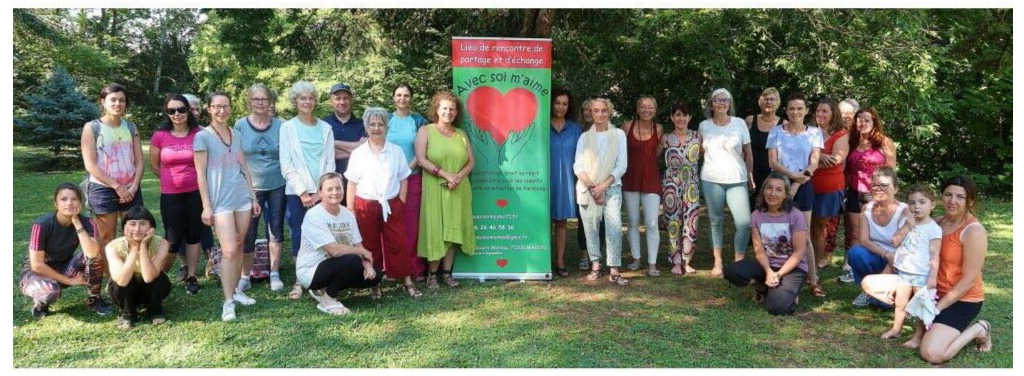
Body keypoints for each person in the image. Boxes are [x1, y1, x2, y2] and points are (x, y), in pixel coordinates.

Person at [861, 176, 991, 364]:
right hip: (926, 287)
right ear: (940, 198)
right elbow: (906, 251)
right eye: (948, 194)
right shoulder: (935, 222)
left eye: (960, 197)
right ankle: (910, 311)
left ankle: (980, 329)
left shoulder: (974, 231)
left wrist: (936, 308)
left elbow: (969, 281)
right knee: (870, 283)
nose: (952, 201)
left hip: (960, 299)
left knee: (932, 353)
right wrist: (897, 282)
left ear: (970, 201)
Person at [194, 92, 262, 321]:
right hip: (220, 201)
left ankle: (235, 290)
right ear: (209, 109)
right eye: (216, 106)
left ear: (231, 108)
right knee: (229, 250)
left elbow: (244, 167)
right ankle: (228, 301)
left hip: (241, 197)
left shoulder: (237, 134)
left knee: (240, 243)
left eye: (225, 106)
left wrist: (253, 197)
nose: (221, 111)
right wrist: (206, 206)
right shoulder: (202, 137)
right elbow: (200, 175)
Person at [345, 107, 420, 298]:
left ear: (386, 127)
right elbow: (352, 182)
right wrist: (351, 209)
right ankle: (374, 283)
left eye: (380, 124)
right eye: (372, 124)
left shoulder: (395, 151)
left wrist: (400, 202)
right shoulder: (359, 153)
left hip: (391, 203)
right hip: (365, 205)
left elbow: (404, 178)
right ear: (366, 127)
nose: (376, 128)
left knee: (398, 243)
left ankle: (406, 280)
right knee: (369, 245)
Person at [19, 183, 112, 318]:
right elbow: (37, 265)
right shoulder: (41, 225)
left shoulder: (88, 223)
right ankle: (40, 304)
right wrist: (70, 281)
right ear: (56, 204)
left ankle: (94, 298)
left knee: (95, 254)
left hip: (63, 267)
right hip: (35, 273)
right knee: (51, 292)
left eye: (74, 199)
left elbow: (92, 253)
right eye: (64, 199)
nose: (69, 203)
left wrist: (76, 222)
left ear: (80, 202)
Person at [280, 81, 336, 299]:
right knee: (299, 234)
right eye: (302, 98)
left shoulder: (326, 128)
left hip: (323, 192)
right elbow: (286, 164)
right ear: (296, 101)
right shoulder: (288, 128)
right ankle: (298, 280)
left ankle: (319, 278)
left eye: (310, 98)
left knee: (323, 234)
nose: (307, 101)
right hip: (297, 193)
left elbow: (330, 163)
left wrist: (321, 193)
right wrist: (303, 193)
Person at [415, 90, 477, 288]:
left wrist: (457, 177)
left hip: (458, 188)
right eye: (444, 108)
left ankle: (447, 273)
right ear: (437, 109)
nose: (448, 112)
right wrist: (445, 174)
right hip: (435, 187)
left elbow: (471, 162)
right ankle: (432, 275)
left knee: (453, 229)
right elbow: (421, 159)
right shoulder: (426, 130)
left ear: (456, 112)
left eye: (452, 109)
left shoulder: (461, 134)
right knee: (435, 229)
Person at [297, 172, 383, 315]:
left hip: (339, 264)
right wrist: (362, 253)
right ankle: (328, 297)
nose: (335, 192)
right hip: (311, 270)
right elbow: (334, 251)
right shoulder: (314, 215)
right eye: (329, 189)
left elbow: (357, 245)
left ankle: (325, 288)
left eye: (338, 188)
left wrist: (367, 265)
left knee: (376, 275)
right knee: (352, 260)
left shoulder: (348, 214)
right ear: (320, 192)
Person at [723, 172, 808, 315]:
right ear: (763, 190)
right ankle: (762, 286)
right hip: (767, 264)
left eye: (779, 190)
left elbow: (799, 252)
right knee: (731, 271)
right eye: (769, 188)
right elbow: (759, 250)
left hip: (793, 267)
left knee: (777, 308)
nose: (772, 193)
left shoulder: (795, 215)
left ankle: (788, 293)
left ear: (786, 194)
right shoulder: (757, 215)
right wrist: (769, 271)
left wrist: (779, 274)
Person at [80, 83, 145, 272]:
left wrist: (132, 188)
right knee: (106, 236)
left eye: (122, 100)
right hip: (103, 189)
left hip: (131, 189)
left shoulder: (131, 127)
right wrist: (117, 186)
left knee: (133, 233)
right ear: (103, 102)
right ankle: (112, 279)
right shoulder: (92, 127)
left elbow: (140, 161)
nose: (118, 103)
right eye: (113, 100)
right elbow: (90, 164)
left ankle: (131, 273)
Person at [766, 92, 823, 297]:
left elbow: (814, 162)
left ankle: (813, 281)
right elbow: (773, 162)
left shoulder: (814, 133)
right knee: (779, 234)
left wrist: (797, 184)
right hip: (778, 185)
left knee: (804, 235)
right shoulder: (776, 131)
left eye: (799, 108)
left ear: (806, 111)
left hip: (805, 186)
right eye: (791, 108)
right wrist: (791, 177)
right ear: (786, 111)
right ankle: (780, 277)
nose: (795, 112)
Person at [235, 83, 288, 292]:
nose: (260, 103)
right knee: (248, 231)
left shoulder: (282, 125)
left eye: (264, 99)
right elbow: (236, 158)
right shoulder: (240, 125)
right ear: (249, 101)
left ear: (270, 102)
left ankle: (274, 273)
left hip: (278, 185)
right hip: (251, 188)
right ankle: (244, 275)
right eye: (256, 99)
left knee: (275, 229)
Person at [150, 94, 203, 295]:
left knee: (193, 234)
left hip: (195, 192)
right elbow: (155, 165)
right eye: (171, 110)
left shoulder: (199, 133)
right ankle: (158, 274)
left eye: (181, 109)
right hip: (170, 193)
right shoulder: (160, 136)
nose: (177, 114)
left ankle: (192, 276)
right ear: (167, 113)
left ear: (188, 110)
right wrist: (168, 180)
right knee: (172, 238)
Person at [574, 97, 629, 286]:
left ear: (609, 112)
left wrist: (602, 187)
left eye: (603, 110)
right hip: (587, 190)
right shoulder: (584, 137)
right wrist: (592, 188)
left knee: (614, 228)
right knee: (590, 229)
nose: (599, 114)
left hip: (611, 188)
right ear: (591, 112)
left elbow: (621, 165)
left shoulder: (619, 134)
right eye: (595, 110)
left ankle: (614, 270)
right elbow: (578, 166)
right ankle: (595, 266)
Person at [699, 88, 754, 276]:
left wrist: (750, 176)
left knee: (744, 222)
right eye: (717, 100)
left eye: (726, 100)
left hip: (737, 178)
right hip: (711, 179)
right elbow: (699, 151)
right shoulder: (704, 126)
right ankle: (718, 262)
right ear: (711, 104)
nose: (722, 103)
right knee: (716, 220)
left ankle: (739, 260)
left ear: (729, 104)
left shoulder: (739, 124)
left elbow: (748, 152)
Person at [876, 184, 941, 340]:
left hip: (921, 273)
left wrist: (933, 276)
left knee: (920, 304)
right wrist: (906, 226)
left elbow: (935, 254)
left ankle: (918, 336)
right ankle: (896, 329)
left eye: (922, 202)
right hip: (904, 271)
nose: (916, 206)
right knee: (900, 302)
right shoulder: (906, 221)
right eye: (912, 202)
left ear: (932, 204)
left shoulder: (933, 229)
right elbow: (895, 241)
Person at [844, 107, 896, 286]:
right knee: (854, 232)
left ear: (874, 122)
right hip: (853, 192)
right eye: (859, 120)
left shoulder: (884, 142)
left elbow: (891, 170)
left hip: (877, 195)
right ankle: (851, 268)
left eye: (867, 120)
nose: (862, 123)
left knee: (872, 233)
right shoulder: (851, 141)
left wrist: (884, 193)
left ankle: (877, 267)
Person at [845, 166, 905, 308]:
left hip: (901, 262)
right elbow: (864, 240)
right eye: (875, 185)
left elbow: (906, 250)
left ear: (896, 189)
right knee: (856, 252)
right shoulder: (867, 208)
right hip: (880, 256)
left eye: (884, 185)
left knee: (882, 305)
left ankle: (875, 292)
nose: (878, 189)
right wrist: (886, 254)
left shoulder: (905, 211)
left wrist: (890, 262)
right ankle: (867, 290)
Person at [105, 206, 172, 329]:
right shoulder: (113, 246)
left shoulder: (162, 243)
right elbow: (121, 280)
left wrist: (143, 245)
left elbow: (148, 277)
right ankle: (128, 315)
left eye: (143, 224)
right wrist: (134, 248)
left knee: (158, 277)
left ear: (151, 227)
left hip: (150, 288)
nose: (137, 229)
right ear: (125, 227)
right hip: (125, 290)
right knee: (122, 277)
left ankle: (155, 311)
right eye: (132, 224)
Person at [387, 83, 429, 281]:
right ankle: (393, 269)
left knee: (412, 225)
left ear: (410, 98)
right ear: (393, 98)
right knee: (391, 225)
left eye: (406, 95)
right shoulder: (386, 119)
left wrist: (405, 170)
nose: (402, 98)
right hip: (388, 180)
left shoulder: (418, 121)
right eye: (398, 95)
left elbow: (422, 151)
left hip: (412, 178)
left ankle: (415, 268)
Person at [622, 96, 664, 276]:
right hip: (630, 178)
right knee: (632, 221)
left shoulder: (659, 129)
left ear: (655, 110)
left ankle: (652, 263)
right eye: (643, 107)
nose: (647, 110)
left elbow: (657, 154)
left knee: (652, 223)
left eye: (650, 107)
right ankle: (636, 259)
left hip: (651, 179)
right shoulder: (626, 126)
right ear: (638, 109)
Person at [661, 102, 701, 276]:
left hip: (691, 185)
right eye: (677, 114)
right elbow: (652, 158)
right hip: (671, 184)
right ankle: (676, 261)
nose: (681, 118)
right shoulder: (665, 138)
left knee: (691, 222)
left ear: (690, 117)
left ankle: (687, 260)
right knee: (673, 223)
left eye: (684, 115)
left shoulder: (698, 137)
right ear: (671, 117)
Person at [809, 98, 849, 270]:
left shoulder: (841, 135)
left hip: (828, 188)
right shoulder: (809, 132)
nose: (820, 114)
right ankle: (803, 263)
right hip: (807, 185)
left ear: (834, 113)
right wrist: (822, 157)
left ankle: (815, 267)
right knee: (803, 227)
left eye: (825, 111)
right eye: (818, 111)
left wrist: (814, 157)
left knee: (818, 229)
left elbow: (835, 160)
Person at [183, 93, 217, 281]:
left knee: (205, 226)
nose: (195, 112)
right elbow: (158, 165)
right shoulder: (171, 133)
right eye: (191, 108)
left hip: (205, 188)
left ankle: (211, 261)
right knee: (183, 227)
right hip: (180, 190)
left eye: (197, 109)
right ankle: (185, 264)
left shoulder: (206, 132)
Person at [549, 88, 583, 277]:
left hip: (567, 182)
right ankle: (542, 259)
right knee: (543, 221)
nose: (560, 107)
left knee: (561, 222)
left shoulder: (576, 129)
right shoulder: (541, 126)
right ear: (551, 104)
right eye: (557, 103)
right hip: (544, 181)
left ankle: (560, 261)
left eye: (564, 104)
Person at [744, 87, 784, 210]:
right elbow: (742, 150)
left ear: (778, 103)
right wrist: (747, 176)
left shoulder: (784, 124)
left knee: (771, 212)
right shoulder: (750, 121)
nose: (768, 102)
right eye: (765, 99)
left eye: (772, 99)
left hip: (773, 175)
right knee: (751, 212)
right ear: (760, 101)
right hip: (751, 173)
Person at [836, 98, 861, 284]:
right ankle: (825, 256)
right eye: (842, 112)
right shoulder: (834, 131)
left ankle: (848, 261)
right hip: (836, 182)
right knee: (831, 220)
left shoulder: (861, 135)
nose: (845, 116)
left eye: (849, 113)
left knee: (854, 226)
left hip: (855, 185)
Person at [323, 83, 366, 184]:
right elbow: (322, 154)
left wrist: (333, 143)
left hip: (357, 183)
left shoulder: (363, 125)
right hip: (330, 184)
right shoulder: (323, 125)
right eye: (338, 98)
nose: (342, 102)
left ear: (351, 100)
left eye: (345, 98)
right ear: (331, 101)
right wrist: (356, 148)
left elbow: (366, 152)